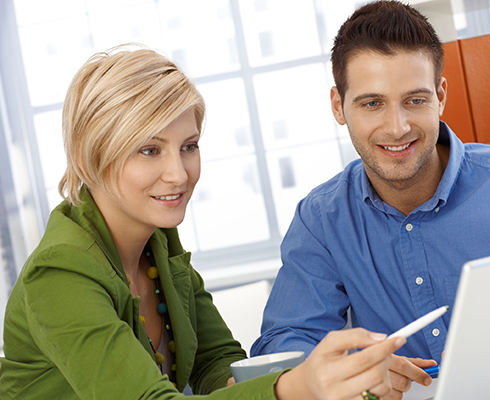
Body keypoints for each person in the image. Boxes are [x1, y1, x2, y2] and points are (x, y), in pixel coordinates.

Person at [0, 45, 406, 400]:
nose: (178, 174)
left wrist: (341, 380)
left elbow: (218, 366)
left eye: (189, 146)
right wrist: (295, 389)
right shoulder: (59, 274)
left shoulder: (158, 245)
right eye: (149, 150)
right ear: (92, 159)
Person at [251, 0, 490, 398]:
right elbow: (284, 344)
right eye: (372, 103)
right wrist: (347, 371)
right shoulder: (322, 220)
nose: (397, 128)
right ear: (338, 106)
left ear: (441, 96)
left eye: (415, 100)